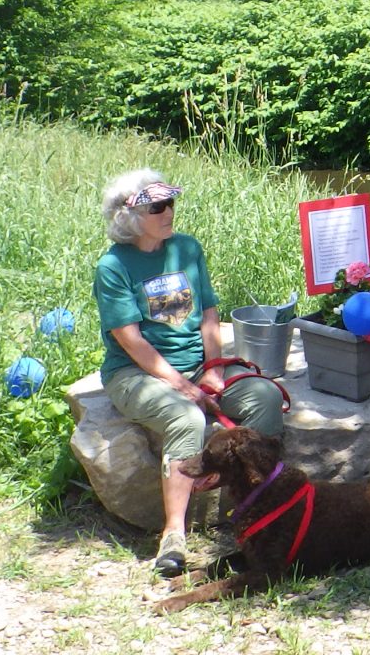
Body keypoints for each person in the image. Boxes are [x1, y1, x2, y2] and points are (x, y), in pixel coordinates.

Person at [92, 168, 286, 578]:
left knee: (265, 397)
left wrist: (213, 370)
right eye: (157, 206)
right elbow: (131, 341)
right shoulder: (112, 267)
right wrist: (183, 386)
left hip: (198, 365)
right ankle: (173, 534)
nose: (169, 211)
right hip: (135, 373)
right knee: (186, 416)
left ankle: (252, 504)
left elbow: (210, 315)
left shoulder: (187, 248)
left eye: (171, 202)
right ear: (129, 216)